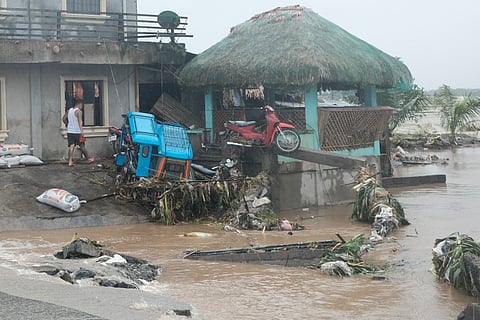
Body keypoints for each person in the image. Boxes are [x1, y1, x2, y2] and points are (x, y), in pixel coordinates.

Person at [67, 100, 94, 167]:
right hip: (77, 132)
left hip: (70, 131)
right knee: (82, 146)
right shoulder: (78, 111)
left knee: (71, 146)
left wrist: (68, 124)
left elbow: (64, 118)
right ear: (79, 104)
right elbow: (80, 122)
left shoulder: (69, 110)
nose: (82, 107)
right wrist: (82, 132)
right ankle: (88, 159)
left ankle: (70, 161)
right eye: (81, 105)